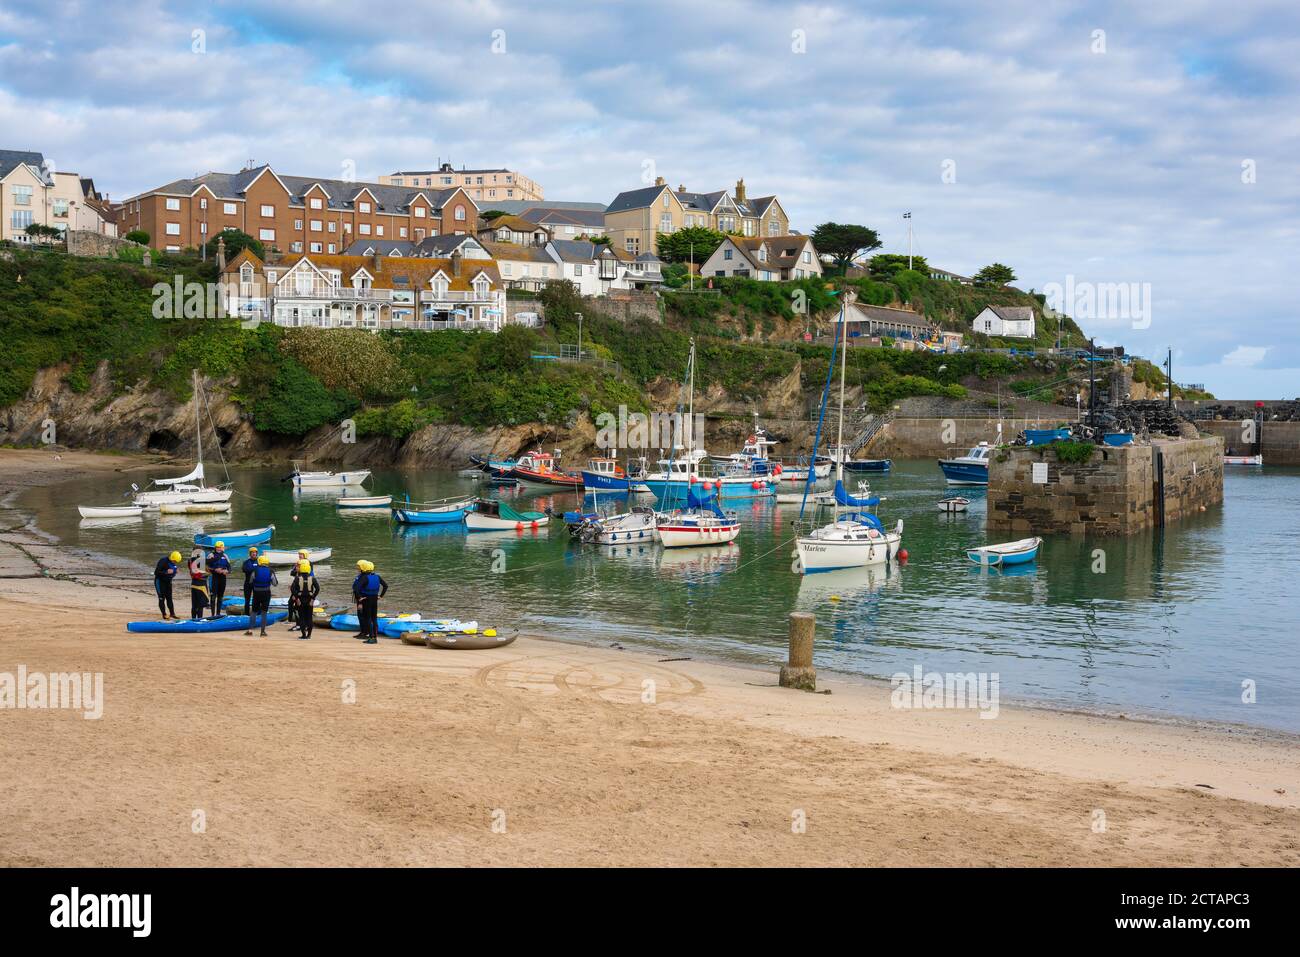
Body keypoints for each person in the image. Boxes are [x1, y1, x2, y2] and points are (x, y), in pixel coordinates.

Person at [351, 559, 388, 645]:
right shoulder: (377, 576)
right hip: (374, 599)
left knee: (368, 618)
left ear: (363, 568)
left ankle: (371, 637)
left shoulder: (364, 577)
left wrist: (359, 598)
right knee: (374, 618)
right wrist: (381, 596)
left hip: (366, 599)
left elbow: (356, 588)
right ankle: (375, 637)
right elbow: (385, 586)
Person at [245, 555, 278, 637]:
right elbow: (275, 584)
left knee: (254, 611)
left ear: (259, 561)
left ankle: (249, 630)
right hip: (266, 593)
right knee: (264, 612)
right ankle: (262, 632)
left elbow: (250, 581)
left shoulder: (254, 570)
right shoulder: (271, 571)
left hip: (256, 592)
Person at [288, 560, 320, 640]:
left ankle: (303, 635)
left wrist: (297, 598)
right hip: (310, 600)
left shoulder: (297, 578)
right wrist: (313, 598)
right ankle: (309, 635)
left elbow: (292, 588)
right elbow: (318, 589)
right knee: (309, 617)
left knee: (301, 617)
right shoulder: (312, 578)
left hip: (300, 599)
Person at [153, 551, 180, 620]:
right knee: (162, 598)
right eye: (175, 561)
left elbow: (171, 574)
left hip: (168, 582)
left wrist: (175, 572)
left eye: (176, 562)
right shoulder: (163, 561)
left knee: (169, 598)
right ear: (172, 558)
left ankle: (172, 613)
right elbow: (156, 572)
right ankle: (164, 614)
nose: (175, 563)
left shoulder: (173, 564)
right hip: (160, 582)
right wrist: (166, 572)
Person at [208, 541, 230, 615]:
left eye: (221, 547)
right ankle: (212, 614)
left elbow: (229, 568)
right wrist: (215, 570)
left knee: (220, 597)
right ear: (215, 547)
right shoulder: (211, 555)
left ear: (223, 548)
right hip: (214, 577)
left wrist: (226, 571)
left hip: (223, 578)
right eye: (218, 547)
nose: (219, 549)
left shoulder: (225, 556)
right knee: (213, 596)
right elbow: (207, 567)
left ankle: (218, 614)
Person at [187, 547, 209, 620]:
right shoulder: (201, 561)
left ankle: (193, 619)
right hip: (201, 585)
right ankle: (199, 620)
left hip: (193, 584)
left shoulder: (190, 560)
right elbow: (203, 573)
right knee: (200, 605)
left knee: (194, 605)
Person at [241, 547, 260, 614]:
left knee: (256, 599)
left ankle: (256, 613)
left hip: (256, 584)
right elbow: (244, 570)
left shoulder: (259, 561)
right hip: (248, 584)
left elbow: (262, 570)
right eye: (252, 552)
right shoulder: (246, 562)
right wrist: (254, 570)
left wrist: (252, 569)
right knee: (247, 600)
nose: (254, 553)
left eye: (255, 552)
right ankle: (246, 614)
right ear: (250, 554)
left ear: (257, 553)